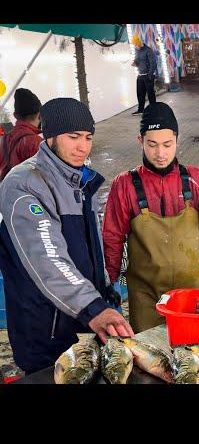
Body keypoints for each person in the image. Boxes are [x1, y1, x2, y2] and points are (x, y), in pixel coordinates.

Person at [0, 98, 132, 375]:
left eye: (88, 137)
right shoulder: (25, 183)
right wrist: (93, 308)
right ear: (49, 136)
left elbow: (91, 248)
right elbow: (47, 258)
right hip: (46, 333)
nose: (83, 146)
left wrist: (107, 291)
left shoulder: (80, 181)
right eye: (73, 137)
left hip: (80, 325)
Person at [102, 102, 199, 333]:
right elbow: (112, 237)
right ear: (140, 141)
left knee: (191, 352)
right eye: (152, 144)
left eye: (167, 144)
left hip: (190, 296)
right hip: (145, 298)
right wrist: (110, 284)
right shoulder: (124, 185)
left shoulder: (196, 179)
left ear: (177, 139)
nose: (160, 153)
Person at [0, 88, 43, 180]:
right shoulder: (36, 143)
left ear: (16, 115)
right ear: (40, 115)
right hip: (27, 193)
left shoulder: (3, 140)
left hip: (5, 192)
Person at [131, 34, 157, 116]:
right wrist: (135, 63)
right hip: (140, 75)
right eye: (134, 45)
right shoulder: (137, 50)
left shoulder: (148, 50)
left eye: (136, 44)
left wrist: (149, 75)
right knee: (140, 94)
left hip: (148, 76)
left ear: (139, 43)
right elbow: (138, 60)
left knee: (150, 94)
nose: (135, 46)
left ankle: (153, 110)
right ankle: (140, 110)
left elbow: (153, 64)